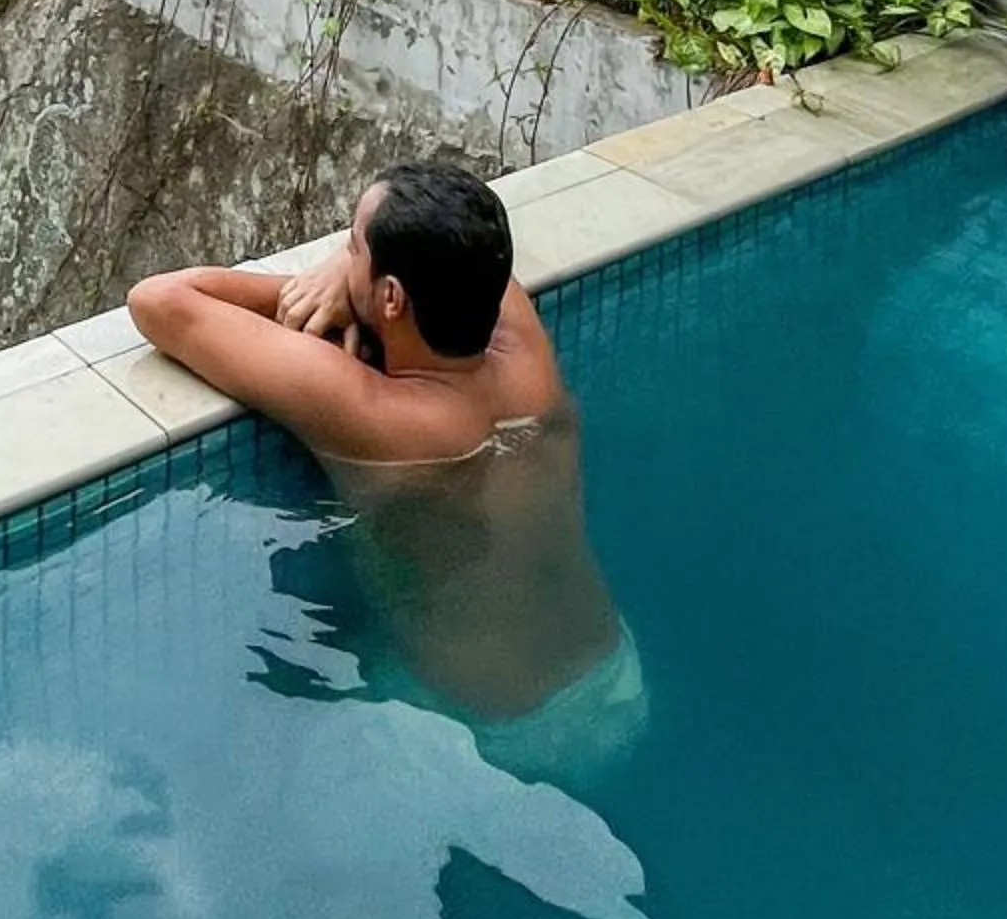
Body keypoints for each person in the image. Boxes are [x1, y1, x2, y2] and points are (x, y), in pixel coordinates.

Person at [127, 161, 647, 788]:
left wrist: (316, 286)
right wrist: (354, 274)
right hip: (617, 680)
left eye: (349, 246)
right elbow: (475, 234)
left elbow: (158, 303)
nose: (340, 259)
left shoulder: (376, 417)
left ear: (393, 297)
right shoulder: (525, 358)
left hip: (502, 739)